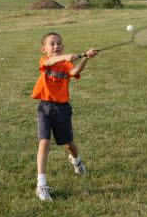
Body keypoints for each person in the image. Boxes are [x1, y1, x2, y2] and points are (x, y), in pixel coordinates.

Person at [31, 32, 98, 201]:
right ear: (44, 49)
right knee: (44, 143)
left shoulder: (66, 64)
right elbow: (49, 62)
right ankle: (41, 186)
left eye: (59, 43)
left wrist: (85, 58)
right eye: (52, 44)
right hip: (45, 107)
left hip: (62, 109)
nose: (56, 46)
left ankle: (76, 161)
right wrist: (66, 56)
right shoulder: (45, 61)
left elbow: (75, 71)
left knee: (70, 145)